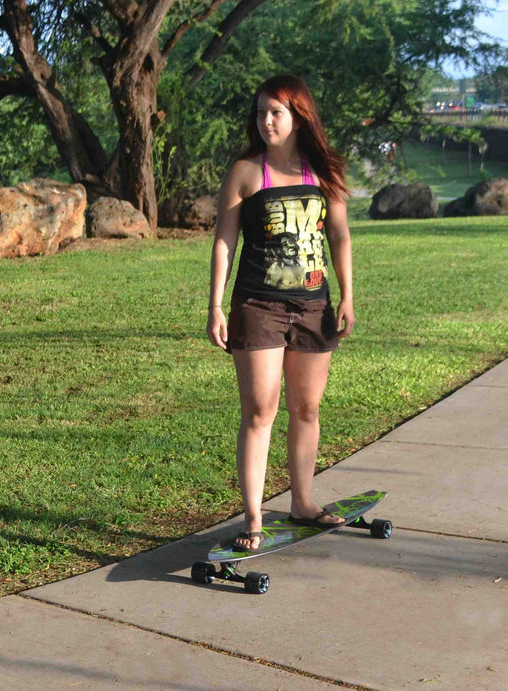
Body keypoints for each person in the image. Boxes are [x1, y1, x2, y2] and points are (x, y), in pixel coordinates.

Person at [206, 74, 355, 552]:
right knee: (260, 410)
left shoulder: (324, 171)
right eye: (260, 112)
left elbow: (339, 236)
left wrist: (347, 295)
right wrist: (214, 304)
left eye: (276, 111)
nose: (266, 120)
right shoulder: (247, 172)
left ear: (298, 116)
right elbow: (225, 241)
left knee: (306, 408)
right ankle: (253, 517)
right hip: (259, 304)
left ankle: (303, 503)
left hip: (314, 306)